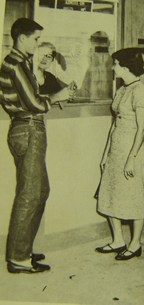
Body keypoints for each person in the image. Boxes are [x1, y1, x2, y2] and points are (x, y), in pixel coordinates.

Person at [0, 18, 73, 273]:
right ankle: (18, 258)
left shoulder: (15, 62)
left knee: (40, 191)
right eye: (36, 39)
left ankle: (24, 250)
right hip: (28, 128)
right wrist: (56, 97)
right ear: (22, 37)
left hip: (27, 128)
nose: (38, 43)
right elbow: (33, 103)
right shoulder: (17, 63)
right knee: (31, 194)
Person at [95, 48, 144, 260]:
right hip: (116, 148)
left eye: (116, 64)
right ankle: (118, 240)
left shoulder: (140, 92)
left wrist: (131, 158)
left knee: (133, 195)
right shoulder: (122, 89)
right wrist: (105, 154)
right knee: (110, 192)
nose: (113, 68)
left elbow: (142, 129)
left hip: (131, 149)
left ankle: (135, 244)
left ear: (126, 67)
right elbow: (114, 124)